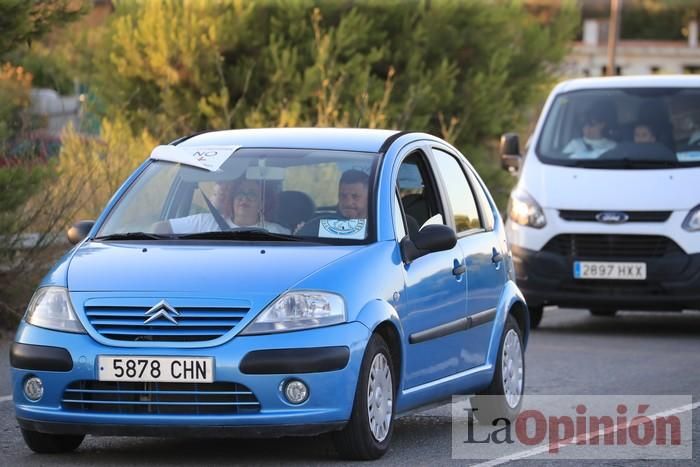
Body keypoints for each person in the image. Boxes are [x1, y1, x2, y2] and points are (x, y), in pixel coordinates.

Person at [166, 178, 289, 234]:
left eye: (252, 194)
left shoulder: (276, 232)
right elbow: (157, 229)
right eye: (240, 193)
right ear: (232, 199)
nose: (244, 198)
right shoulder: (205, 222)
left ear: (262, 204)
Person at [295, 169, 369, 238]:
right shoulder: (317, 225)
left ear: (369, 198)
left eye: (355, 196)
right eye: (343, 196)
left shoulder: (378, 228)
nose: (348, 202)